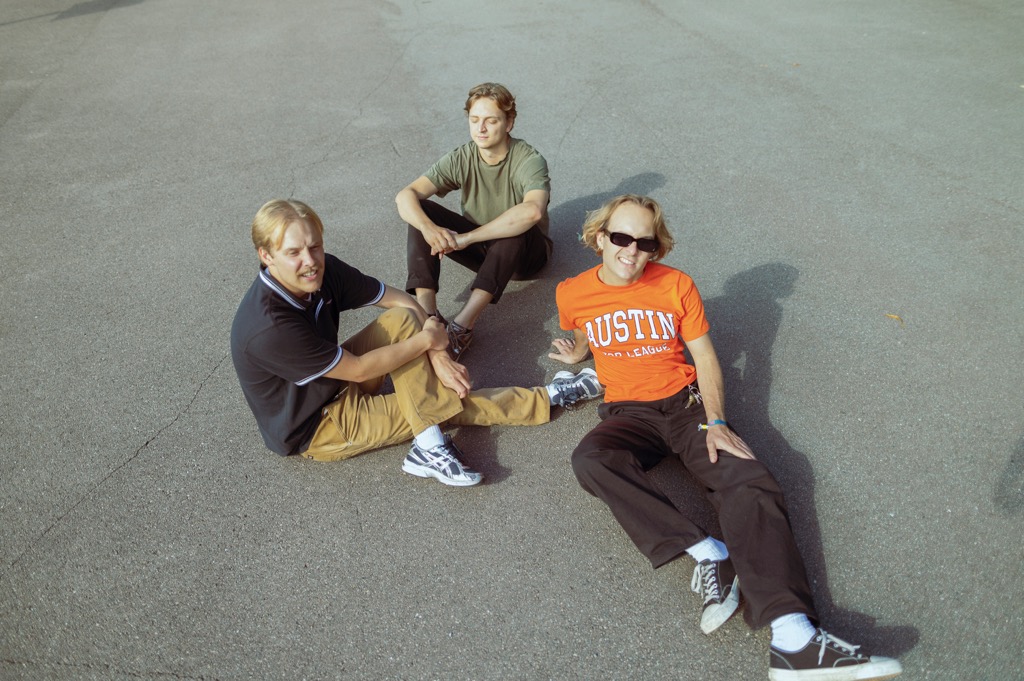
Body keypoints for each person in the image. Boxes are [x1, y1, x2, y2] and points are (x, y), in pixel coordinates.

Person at [548, 195, 903, 680]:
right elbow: (582, 325)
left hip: (684, 406)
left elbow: (706, 357)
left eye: (644, 242)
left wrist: (716, 422)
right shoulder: (572, 293)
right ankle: (708, 553)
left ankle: (794, 640)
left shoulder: (676, 285)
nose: (631, 251)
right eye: (621, 238)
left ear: (656, 248)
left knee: (749, 479)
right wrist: (578, 353)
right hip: (628, 412)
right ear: (599, 238)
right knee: (591, 459)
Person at [231, 199, 602, 486]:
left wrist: (437, 351)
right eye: (293, 253)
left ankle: (426, 440)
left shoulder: (322, 269)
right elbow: (358, 370)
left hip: (334, 376)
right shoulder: (269, 328)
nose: (311, 261)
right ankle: (551, 396)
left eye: (314, 246)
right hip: (319, 424)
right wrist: (427, 340)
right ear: (266, 256)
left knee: (405, 320)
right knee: (447, 403)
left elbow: (400, 301)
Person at [395, 82, 552, 359]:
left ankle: (462, 326)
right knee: (421, 212)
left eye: (491, 120)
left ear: (509, 123)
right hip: (482, 248)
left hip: (525, 256)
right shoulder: (462, 157)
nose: (481, 128)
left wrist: (466, 238)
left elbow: (532, 212)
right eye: (475, 119)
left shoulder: (529, 159)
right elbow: (405, 196)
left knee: (515, 227)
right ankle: (428, 317)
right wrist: (428, 228)